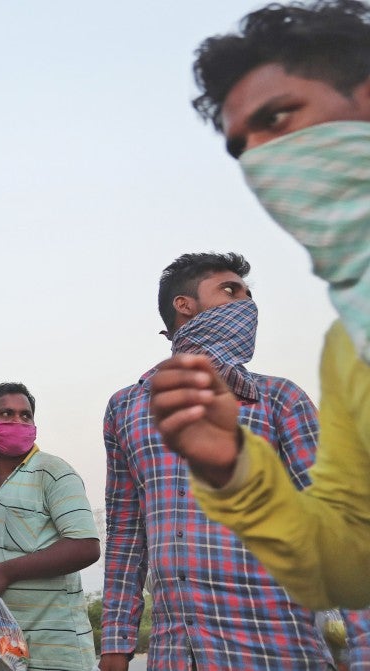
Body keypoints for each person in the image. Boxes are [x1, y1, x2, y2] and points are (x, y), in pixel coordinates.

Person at [148, 0, 370, 611]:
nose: (265, 163)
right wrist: (236, 470)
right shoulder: (348, 351)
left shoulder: (285, 397)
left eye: (280, 117)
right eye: (243, 149)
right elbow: (349, 572)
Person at [100, 252, 339, 671]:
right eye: (230, 290)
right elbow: (126, 534)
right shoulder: (126, 408)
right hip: (178, 651)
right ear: (184, 306)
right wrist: (115, 646)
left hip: (279, 647)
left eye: (249, 294)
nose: (247, 303)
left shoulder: (279, 400)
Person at [0, 383, 100, 671]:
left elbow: (85, 546)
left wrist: (5, 572)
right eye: (6, 414)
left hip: (58, 651)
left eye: (25, 416)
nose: (18, 422)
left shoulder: (54, 472)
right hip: (5, 649)